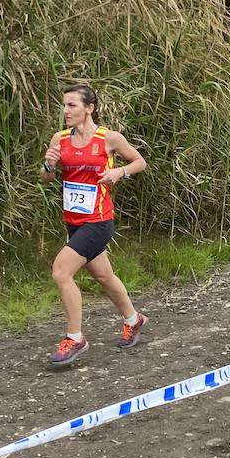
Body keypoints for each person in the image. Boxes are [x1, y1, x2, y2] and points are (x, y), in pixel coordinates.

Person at [40, 84, 148, 366]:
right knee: (103, 275)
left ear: (89, 108)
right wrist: (49, 165)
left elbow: (140, 162)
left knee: (61, 272)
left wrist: (118, 172)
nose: (66, 111)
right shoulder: (59, 139)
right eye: (64, 105)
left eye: (72, 105)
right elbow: (46, 178)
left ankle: (75, 338)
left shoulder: (108, 138)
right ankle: (133, 319)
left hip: (98, 221)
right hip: (74, 221)